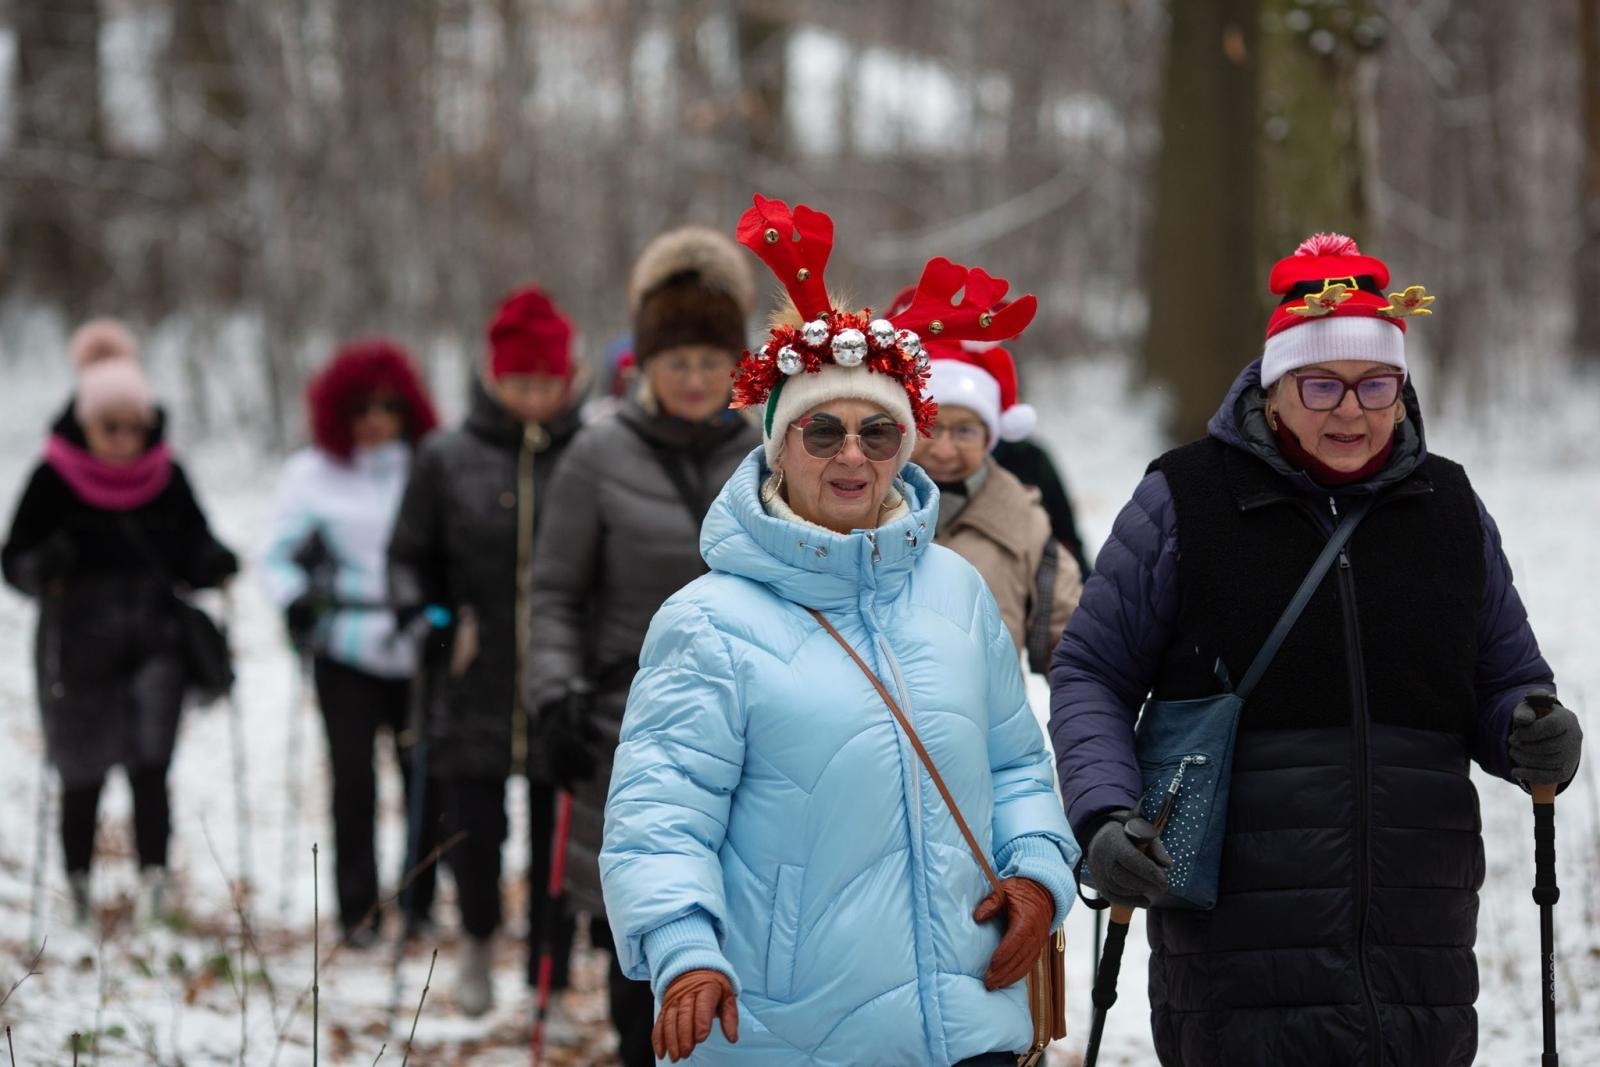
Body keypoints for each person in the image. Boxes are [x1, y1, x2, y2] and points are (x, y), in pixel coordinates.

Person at [1049, 233, 1583, 1066]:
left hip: (1418, 941)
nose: (1351, 409)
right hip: (1238, 947)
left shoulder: (1449, 507)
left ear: (1402, 391)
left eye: (1377, 384)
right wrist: (1105, 811)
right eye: (1321, 384)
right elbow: (1093, 671)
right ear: (1273, 391)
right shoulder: (1185, 501)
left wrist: (1529, 726)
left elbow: (1505, 675)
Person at [599, 196, 1079, 1065]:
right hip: (790, 1034)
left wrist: (1041, 876)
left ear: (907, 445)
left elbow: (1016, 766)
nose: (850, 455)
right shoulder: (708, 623)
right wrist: (683, 951)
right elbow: (659, 819)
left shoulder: (959, 591)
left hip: (971, 1023)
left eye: (877, 431)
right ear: (779, 446)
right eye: (821, 430)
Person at [526, 224, 761, 1064]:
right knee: (644, 921)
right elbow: (553, 593)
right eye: (678, 362)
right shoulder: (595, 454)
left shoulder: (771, 451)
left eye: (711, 361)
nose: (696, 379)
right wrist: (552, 693)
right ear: (645, 364)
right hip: (621, 729)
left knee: (738, 927)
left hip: (750, 721)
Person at [2, 320, 238, 927]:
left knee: (151, 771)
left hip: (155, 646)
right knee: (81, 773)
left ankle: (153, 889)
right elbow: (14, 561)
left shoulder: (167, 476)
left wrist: (213, 563)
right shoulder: (52, 478)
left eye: (135, 424)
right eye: (111, 425)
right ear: (85, 423)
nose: (125, 437)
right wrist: (43, 563)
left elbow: (194, 544)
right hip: (76, 650)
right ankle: (78, 889)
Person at [387, 286, 582, 1017]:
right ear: (494, 377)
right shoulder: (446, 455)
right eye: (519, 381)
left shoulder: (591, 450)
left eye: (547, 382)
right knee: (473, 827)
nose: (533, 397)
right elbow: (408, 554)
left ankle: (551, 975)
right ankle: (475, 939)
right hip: (472, 672)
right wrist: (432, 620)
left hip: (561, 676)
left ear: (568, 380)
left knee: (556, 838)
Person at [260, 339, 440, 946]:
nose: (376, 421)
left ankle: (419, 901)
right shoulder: (309, 475)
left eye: (388, 406)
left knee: (424, 773)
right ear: (339, 412)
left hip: (418, 642)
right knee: (353, 780)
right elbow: (276, 557)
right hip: (343, 645)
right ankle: (357, 910)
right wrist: (293, 603)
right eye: (361, 408)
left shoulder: (429, 464)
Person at [913, 341, 1082, 672]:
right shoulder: (867, 507)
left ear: (988, 437)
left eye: (964, 431)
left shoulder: (1024, 522)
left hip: (989, 719)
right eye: (930, 426)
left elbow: (1071, 646)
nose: (944, 450)